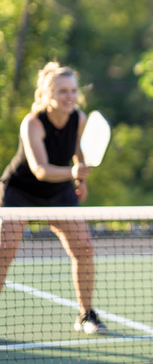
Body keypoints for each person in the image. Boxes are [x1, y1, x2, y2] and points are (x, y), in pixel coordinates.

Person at [0, 62, 106, 334]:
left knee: (83, 248)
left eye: (73, 91)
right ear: (48, 95)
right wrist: (73, 173)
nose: (70, 96)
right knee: (4, 250)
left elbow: (79, 153)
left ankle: (86, 315)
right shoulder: (32, 122)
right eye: (62, 92)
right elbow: (40, 169)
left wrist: (80, 180)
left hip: (59, 192)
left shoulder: (79, 118)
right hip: (20, 191)